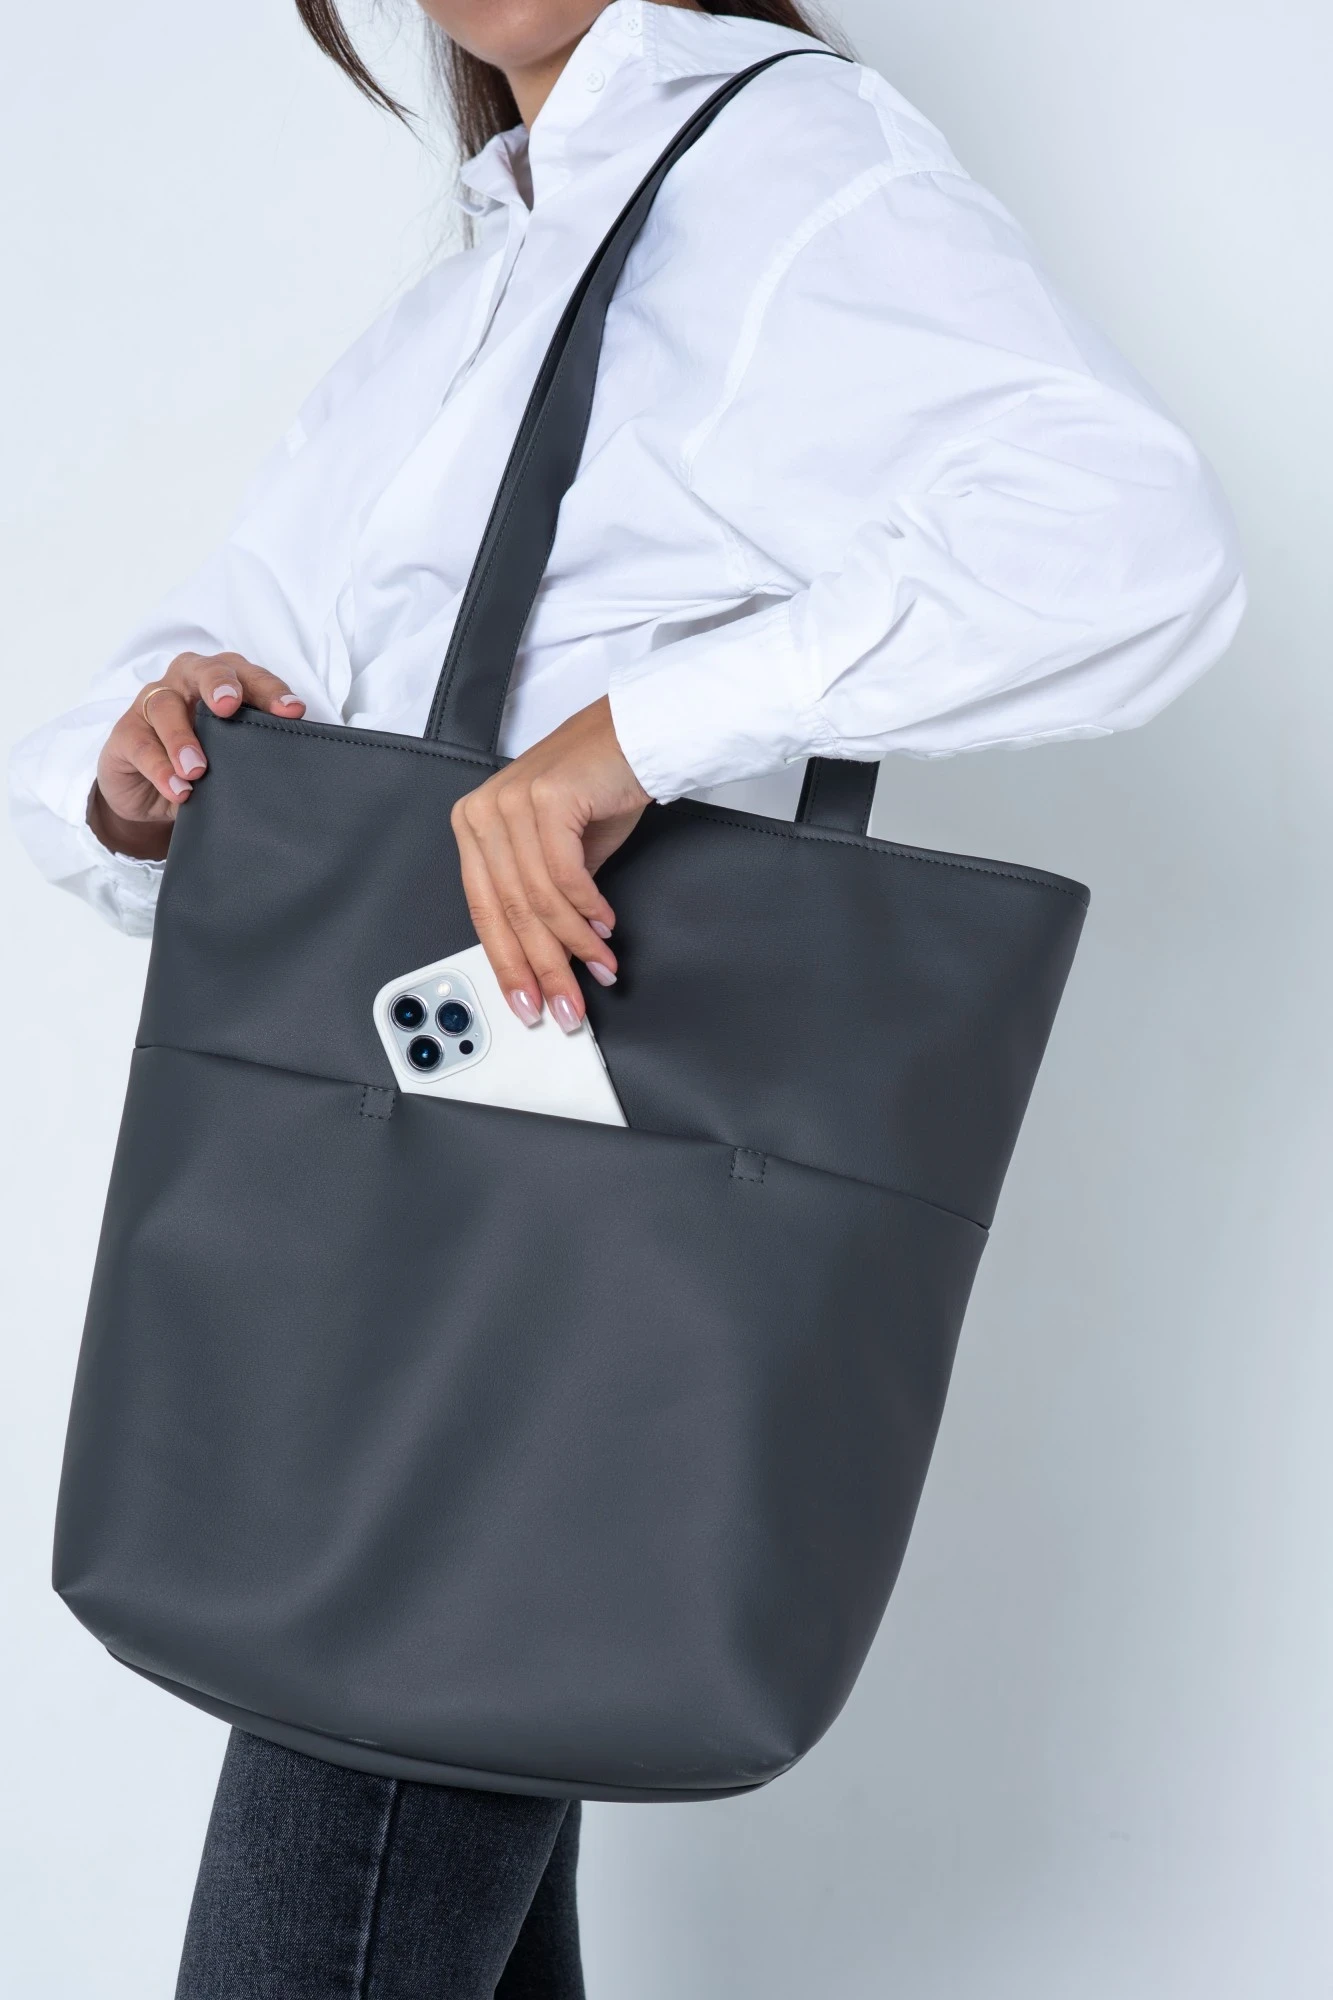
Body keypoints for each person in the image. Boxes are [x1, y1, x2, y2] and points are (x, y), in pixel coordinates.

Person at [9, 2, 1244, 1992]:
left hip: (535, 1217)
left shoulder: (782, 159)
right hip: (422, 1218)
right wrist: (149, 752)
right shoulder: (493, 262)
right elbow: (250, 656)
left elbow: (1130, 534)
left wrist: (636, 738)